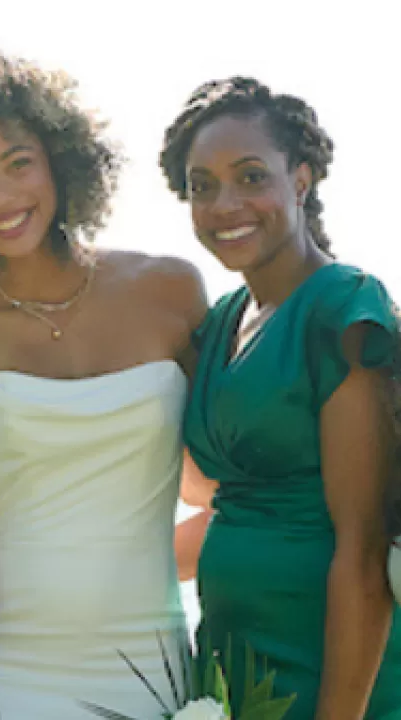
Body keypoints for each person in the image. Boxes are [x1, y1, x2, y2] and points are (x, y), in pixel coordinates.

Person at [0, 53, 213, 719]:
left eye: (17, 163)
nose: (1, 197)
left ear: (60, 160)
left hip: (153, 667)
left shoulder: (171, 291)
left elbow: (221, 486)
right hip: (9, 670)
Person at [163, 76, 401, 719]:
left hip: (334, 675)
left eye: (250, 177)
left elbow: (365, 548)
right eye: (201, 186)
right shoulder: (220, 324)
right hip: (232, 664)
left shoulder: (343, 310)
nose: (223, 204)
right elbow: (218, 497)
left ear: (300, 180)